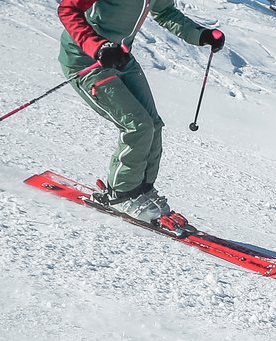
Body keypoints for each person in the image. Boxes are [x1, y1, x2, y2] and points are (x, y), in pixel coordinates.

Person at [56, 0, 226, 222]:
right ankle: (121, 194)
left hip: (120, 57)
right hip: (86, 61)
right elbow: (68, 9)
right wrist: (96, 46)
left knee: (153, 125)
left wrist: (201, 35)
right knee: (138, 125)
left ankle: (142, 190)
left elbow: (164, 12)